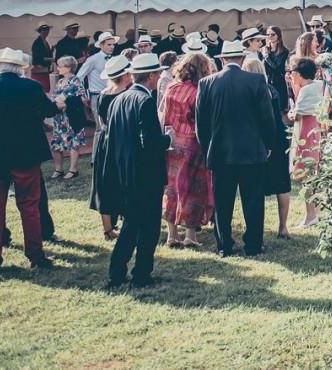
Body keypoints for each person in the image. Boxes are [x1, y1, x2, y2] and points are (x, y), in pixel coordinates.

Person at [0, 48, 58, 274]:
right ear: (19, 69)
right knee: (29, 206)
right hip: (25, 155)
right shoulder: (31, 87)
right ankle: (35, 254)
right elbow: (49, 110)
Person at [195, 40, 277, 257]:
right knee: (253, 201)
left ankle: (224, 245)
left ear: (222, 60)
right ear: (241, 59)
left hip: (220, 152)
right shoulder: (256, 81)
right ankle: (253, 244)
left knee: (222, 203)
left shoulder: (206, 83)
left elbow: (200, 124)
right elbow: (266, 119)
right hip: (251, 150)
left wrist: (207, 149)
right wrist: (268, 144)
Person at [104, 53, 170, 288]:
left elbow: (110, 140)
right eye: (158, 73)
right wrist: (167, 139)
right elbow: (149, 142)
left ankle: (117, 272)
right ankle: (141, 273)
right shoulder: (145, 101)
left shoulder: (119, 100)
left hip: (124, 172)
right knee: (148, 227)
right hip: (145, 174)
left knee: (132, 224)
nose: (160, 76)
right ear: (151, 76)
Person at [161, 53, 213, 249]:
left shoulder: (171, 88)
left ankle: (171, 235)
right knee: (194, 189)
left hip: (173, 143)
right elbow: (200, 121)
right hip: (193, 143)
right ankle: (190, 235)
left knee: (172, 187)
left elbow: (165, 116)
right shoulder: (197, 92)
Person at [90, 55, 133, 241]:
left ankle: (107, 229)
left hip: (104, 141)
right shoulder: (127, 95)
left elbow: (101, 121)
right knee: (123, 182)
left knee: (104, 184)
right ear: (125, 76)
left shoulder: (103, 95)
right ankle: (126, 222)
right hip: (121, 141)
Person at [261, 28, 293, 240]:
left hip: (279, 89)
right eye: (268, 35)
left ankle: (282, 226)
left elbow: (280, 71)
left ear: (278, 37)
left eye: (273, 35)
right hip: (267, 88)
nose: (269, 38)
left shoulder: (283, 53)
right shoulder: (265, 53)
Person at [287, 57, 324, 229]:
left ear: (298, 74)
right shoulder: (318, 85)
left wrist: (290, 114)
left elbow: (297, 115)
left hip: (304, 131)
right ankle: (314, 211)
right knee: (312, 174)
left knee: (306, 175)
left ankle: (310, 215)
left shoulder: (306, 90)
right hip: (315, 129)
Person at [48, 56, 87, 180]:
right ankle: (58, 169)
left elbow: (83, 98)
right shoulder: (59, 82)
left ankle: (73, 169)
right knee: (56, 143)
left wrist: (67, 103)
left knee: (73, 142)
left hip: (71, 117)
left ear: (68, 68)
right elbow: (54, 96)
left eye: (60, 66)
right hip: (59, 118)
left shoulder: (76, 80)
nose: (58, 68)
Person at [30, 23, 54, 93]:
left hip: (45, 70)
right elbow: (38, 58)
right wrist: (52, 59)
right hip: (39, 70)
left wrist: (51, 50)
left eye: (47, 30)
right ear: (40, 31)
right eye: (44, 30)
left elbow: (47, 55)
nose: (46, 32)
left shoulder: (46, 42)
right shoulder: (37, 43)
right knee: (40, 89)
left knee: (46, 89)